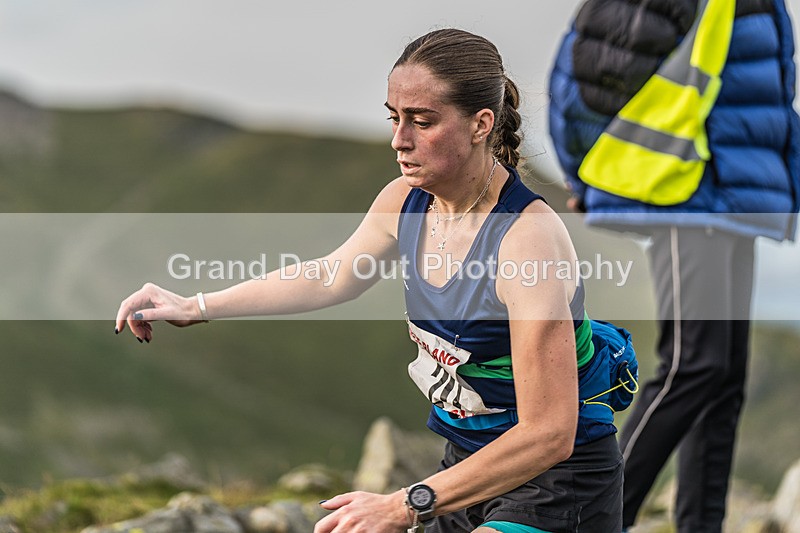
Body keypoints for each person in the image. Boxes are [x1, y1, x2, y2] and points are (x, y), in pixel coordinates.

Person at [117, 29, 627, 532]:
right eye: (394, 118)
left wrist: (405, 505)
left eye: (422, 121)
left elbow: (548, 433)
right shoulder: (406, 201)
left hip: (557, 483)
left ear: (481, 124)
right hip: (469, 465)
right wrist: (196, 305)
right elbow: (329, 277)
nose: (399, 140)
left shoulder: (526, 240)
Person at [548, 0, 800, 531]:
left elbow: (764, 92)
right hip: (684, 188)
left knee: (723, 376)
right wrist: (585, 173)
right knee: (694, 364)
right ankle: (590, 518)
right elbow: (588, 71)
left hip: (732, 193)